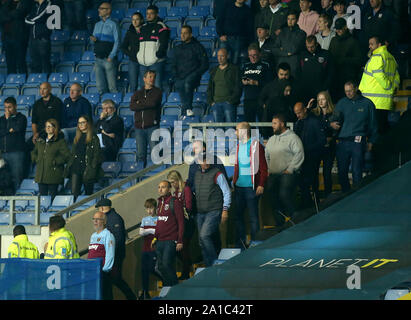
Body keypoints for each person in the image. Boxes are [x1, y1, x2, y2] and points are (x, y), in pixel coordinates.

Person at [330, 81, 378, 192]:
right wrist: (331, 124)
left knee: (357, 171)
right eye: (346, 91)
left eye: (350, 90)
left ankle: (357, 197)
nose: (348, 93)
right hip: (342, 142)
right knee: (342, 171)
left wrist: (371, 141)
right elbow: (333, 120)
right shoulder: (341, 103)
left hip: (358, 141)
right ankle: (346, 195)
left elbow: (373, 125)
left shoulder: (367, 103)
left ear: (356, 88)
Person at [265, 113, 304, 227]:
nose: (272, 126)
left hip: (287, 174)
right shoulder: (272, 139)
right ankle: (280, 224)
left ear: (282, 124)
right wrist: (268, 168)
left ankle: (295, 220)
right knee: (273, 198)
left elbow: (299, 154)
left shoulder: (293, 138)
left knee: (284, 194)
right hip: (273, 174)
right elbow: (266, 155)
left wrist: (291, 169)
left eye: (275, 123)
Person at [233, 122, 268, 248]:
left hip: (251, 188)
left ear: (243, 131)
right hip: (239, 188)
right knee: (238, 217)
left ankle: (255, 244)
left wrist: (261, 184)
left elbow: (264, 167)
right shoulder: (238, 146)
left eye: (236, 130)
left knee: (253, 217)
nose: (235, 132)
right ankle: (241, 244)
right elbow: (237, 165)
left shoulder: (255, 145)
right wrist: (234, 181)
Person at [194, 153, 231, 266]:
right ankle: (208, 266)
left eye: (207, 160)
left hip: (214, 211)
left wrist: (225, 209)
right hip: (200, 212)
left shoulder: (217, 174)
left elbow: (227, 191)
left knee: (204, 236)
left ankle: (216, 263)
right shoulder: (196, 174)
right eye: (203, 160)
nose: (206, 162)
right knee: (201, 241)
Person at [95, 198, 137, 299]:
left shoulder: (114, 218)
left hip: (115, 255)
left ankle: (131, 297)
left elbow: (118, 239)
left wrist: (110, 253)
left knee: (115, 278)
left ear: (102, 208)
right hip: (110, 255)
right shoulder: (109, 218)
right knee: (109, 280)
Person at [358, 35, 400, 135]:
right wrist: (392, 88)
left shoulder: (377, 56)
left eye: (372, 44)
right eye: (369, 44)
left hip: (374, 101)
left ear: (379, 44)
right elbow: (397, 76)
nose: (369, 46)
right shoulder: (391, 57)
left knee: (374, 132)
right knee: (383, 130)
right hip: (385, 101)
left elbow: (379, 76)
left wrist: (388, 87)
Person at [293, 102, 326, 207]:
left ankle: (315, 202)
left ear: (305, 110)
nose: (298, 115)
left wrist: (307, 149)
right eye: (296, 113)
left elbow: (322, 140)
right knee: (302, 182)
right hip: (301, 157)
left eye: (299, 113)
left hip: (312, 156)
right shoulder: (298, 123)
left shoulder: (315, 122)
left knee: (312, 179)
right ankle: (306, 202)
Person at [171, 25, 209, 117]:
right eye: (181, 33)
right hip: (180, 76)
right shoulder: (177, 48)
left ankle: (187, 109)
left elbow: (205, 64)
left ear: (191, 34)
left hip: (193, 76)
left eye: (185, 33)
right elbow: (173, 64)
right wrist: (175, 75)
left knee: (187, 83)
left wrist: (196, 73)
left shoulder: (198, 47)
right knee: (179, 84)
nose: (183, 35)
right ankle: (186, 110)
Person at [152, 181, 184, 287]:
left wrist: (180, 240)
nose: (160, 189)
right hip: (160, 241)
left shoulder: (174, 202)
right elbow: (159, 222)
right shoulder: (159, 202)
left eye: (163, 187)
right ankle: (167, 289)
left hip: (170, 240)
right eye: (159, 187)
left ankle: (175, 288)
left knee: (167, 265)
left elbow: (181, 222)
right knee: (160, 267)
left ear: (169, 189)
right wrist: (155, 238)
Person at [65, 115, 104, 199]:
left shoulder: (94, 137)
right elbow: (73, 154)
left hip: (88, 168)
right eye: (79, 123)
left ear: (88, 123)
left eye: (83, 122)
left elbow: (97, 155)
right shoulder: (77, 137)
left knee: (88, 194)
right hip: (76, 167)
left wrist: (92, 167)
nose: (81, 125)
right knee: (74, 193)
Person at [129, 70, 162, 167]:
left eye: (153, 77)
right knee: (140, 154)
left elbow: (152, 103)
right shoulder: (137, 93)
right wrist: (143, 103)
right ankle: (140, 176)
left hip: (152, 126)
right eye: (150, 76)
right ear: (144, 79)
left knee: (155, 153)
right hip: (139, 128)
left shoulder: (157, 92)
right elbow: (132, 106)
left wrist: (139, 103)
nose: (152, 79)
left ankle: (156, 175)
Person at [31, 118, 70, 200]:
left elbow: (67, 156)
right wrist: (37, 159)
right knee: (43, 199)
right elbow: (33, 152)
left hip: (54, 175)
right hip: (41, 175)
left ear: (55, 128)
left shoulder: (60, 141)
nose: (47, 128)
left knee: (53, 198)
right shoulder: (40, 140)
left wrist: (55, 161)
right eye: (46, 126)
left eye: (50, 126)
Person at [167, 170, 194, 280]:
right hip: (179, 222)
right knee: (179, 250)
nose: (172, 185)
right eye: (171, 183)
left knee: (183, 248)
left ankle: (186, 271)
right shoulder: (176, 192)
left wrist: (180, 207)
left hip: (187, 223)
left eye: (173, 182)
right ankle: (188, 265)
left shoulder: (185, 189)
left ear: (177, 179)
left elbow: (188, 206)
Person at [311, 91, 338, 198]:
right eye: (318, 100)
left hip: (330, 146)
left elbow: (337, 130)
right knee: (314, 173)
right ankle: (316, 196)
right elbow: (314, 126)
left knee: (327, 173)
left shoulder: (334, 113)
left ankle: (328, 196)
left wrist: (330, 137)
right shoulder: (314, 113)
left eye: (322, 99)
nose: (320, 102)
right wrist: (329, 124)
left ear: (327, 99)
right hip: (318, 146)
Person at [137, 5, 170, 89]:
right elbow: (138, 44)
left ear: (157, 14)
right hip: (143, 63)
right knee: (143, 87)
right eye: (147, 13)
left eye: (151, 13)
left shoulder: (162, 27)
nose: (148, 16)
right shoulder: (143, 27)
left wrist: (157, 56)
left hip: (156, 63)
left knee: (156, 86)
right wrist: (139, 56)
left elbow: (164, 44)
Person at [328, 18, 362, 101]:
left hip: (348, 77)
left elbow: (359, 60)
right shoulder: (333, 40)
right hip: (335, 78)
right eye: (337, 29)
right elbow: (329, 56)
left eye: (340, 28)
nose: (338, 30)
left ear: (345, 27)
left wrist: (344, 60)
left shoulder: (353, 41)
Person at [90, 2, 120, 95]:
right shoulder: (97, 25)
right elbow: (92, 42)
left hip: (108, 59)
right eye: (99, 8)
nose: (99, 10)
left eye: (102, 8)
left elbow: (117, 41)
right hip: (98, 58)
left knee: (112, 87)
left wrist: (111, 56)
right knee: (100, 87)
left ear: (108, 11)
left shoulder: (113, 24)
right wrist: (93, 40)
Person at [207, 48, 242, 123]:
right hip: (216, 103)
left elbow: (238, 87)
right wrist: (211, 102)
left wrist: (231, 101)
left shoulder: (234, 69)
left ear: (227, 56)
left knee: (230, 129)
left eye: (222, 56)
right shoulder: (214, 70)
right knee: (218, 130)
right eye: (218, 56)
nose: (219, 58)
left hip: (229, 103)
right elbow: (209, 87)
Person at [0, 96, 27, 191]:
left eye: (9, 107)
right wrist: (9, 130)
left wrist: (8, 120)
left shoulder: (21, 118)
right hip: (3, 152)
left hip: (16, 153)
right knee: (4, 179)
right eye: (5, 107)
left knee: (17, 178)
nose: (7, 110)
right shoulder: (1, 119)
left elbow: (17, 129)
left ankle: (18, 200)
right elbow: (2, 132)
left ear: (15, 106)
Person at [88, 211, 115, 300]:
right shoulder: (93, 236)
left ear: (104, 221)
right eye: (94, 219)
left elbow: (110, 253)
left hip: (102, 272)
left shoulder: (108, 235)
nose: (95, 221)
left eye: (98, 219)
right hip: (92, 271)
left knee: (105, 295)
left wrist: (105, 269)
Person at [241, 44, 273, 122]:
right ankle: (253, 135)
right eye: (250, 55)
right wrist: (243, 81)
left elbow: (270, 83)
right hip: (248, 99)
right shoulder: (245, 66)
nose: (252, 58)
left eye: (254, 55)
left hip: (261, 99)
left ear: (260, 54)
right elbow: (241, 78)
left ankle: (264, 135)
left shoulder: (266, 65)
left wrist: (256, 82)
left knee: (263, 123)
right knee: (249, 124)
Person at [299, 35, 334, 104]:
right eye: (308, 47)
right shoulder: (302, 55)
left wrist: (325, 87)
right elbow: (299, 71)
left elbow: (331, 73)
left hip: (321, 90)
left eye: (312, 47)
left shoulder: (326, 54)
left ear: (316, 44)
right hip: (306, 90)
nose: (310, 49)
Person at [216, 0, 254, 65]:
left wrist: (245, 40)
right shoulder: (227, 6)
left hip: (239, 40)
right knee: (222, 60)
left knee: (235, 62)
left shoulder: (247, 10)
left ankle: (233, 74)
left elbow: (249, 29)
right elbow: (219, 21)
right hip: (225, 38)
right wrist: (221, 34)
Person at [139, 198, 162, 300]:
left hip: (155, 248)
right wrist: (151, 230)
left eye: (151, 208)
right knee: (144, 271)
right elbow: (141, 233)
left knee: (153, 268)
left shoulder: (159, 219)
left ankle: (167, 282)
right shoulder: (144, 219)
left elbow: (159, 233)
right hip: (145, 248)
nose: (149, 211)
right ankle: (145, 292)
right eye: (147, 208)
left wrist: (148, 231)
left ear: (155, 208)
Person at [0, 0, 32, 74]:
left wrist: (7, 15)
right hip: (7, 38)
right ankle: (10, 83)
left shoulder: (25, 2)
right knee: (10, 64)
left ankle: (22, 80)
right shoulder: (8, 3)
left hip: (20, 38)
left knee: (21, 63)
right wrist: (11, 15)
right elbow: (1, 15)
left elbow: (19, 13)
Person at [272, 10, 307, 78]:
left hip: (294, 65)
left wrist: (281, 49)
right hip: (281, 64)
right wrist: (286, 53)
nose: (290, 21)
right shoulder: (282, 32)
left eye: (292, 19)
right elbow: (274, 49)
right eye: (288, 19)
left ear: (297, 20)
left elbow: (293, 49)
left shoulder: (302, 33)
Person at [24, 0, 52, 74]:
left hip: (42, 38)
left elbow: (41, 16)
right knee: (35, 63)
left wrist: (32, 20)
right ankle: (36, 81)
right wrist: (32, 21)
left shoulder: (48, 3)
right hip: (32, 38)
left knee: (45, 63)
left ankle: (46, 82)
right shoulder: (34, 5)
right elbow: (26, 18)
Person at [121, 12, 144, 93]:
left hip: (144, 61)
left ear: (141, 20)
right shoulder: (130, 32)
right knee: (133, 84)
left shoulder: (146, 30)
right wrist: (131, 54)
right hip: (133, 61)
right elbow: (123, 47)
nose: (134, 22)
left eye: (137, 19)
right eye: (133, 19)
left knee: (143, 84)